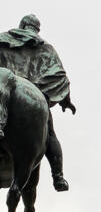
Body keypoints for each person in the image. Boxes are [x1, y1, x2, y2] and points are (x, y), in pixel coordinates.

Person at [0, 14, 74, 191]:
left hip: (1, 87)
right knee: (50, 136)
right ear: (36, 29)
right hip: (32, 94)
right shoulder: (46, 48)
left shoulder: (3, 39)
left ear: (23, 25)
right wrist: (66, 100)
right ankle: (58, 177)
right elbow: (60, 76)